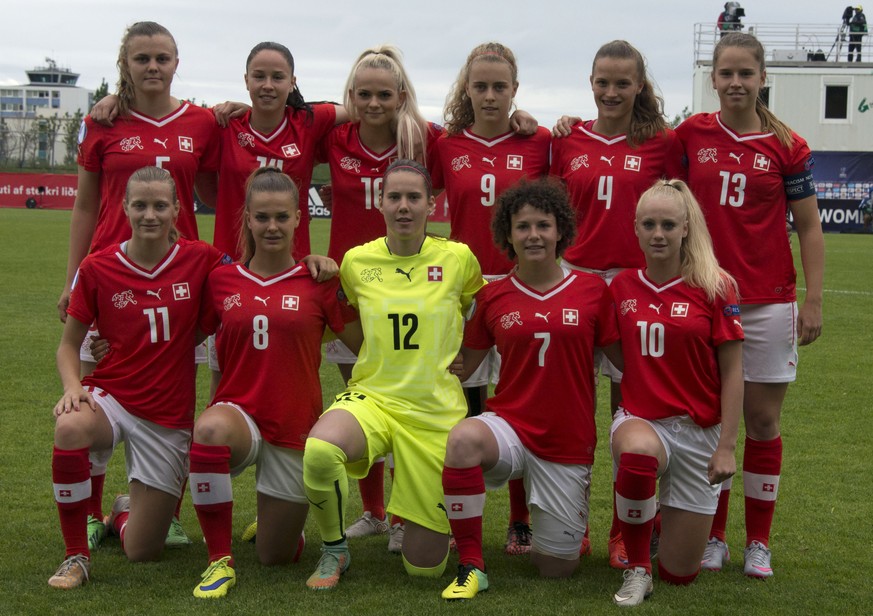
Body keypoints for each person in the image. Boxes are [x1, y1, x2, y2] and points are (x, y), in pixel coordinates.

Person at [59, 20, 220, 552]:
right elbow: (85, 204)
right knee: (94, 395)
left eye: (162, 58)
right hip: (109, 278)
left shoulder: (201, 122)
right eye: (142, 58)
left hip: (178, 281)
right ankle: (87, 513)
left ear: (178, 64)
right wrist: (73, 277)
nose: (153, 67)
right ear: (125, 65)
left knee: (170, 393)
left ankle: (156, 513)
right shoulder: (101, 120)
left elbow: (223, 186)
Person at [676, 32, 824, 578]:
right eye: (726, 73)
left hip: (767, 301)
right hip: (705, 296)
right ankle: (713, 537)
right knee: (713, 420)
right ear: (712, 79)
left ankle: (756, 541)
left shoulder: (788, 145)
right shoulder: (691, 134)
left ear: (763, 78)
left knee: (762, 419)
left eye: (746, 73)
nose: (735, 82)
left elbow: (809, 227)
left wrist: (812, 299)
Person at [302, 159, 484, 591]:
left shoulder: (458, 259)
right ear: (380, 203)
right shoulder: (356, 260)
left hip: (434, 413)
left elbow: (485, 313)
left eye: (414, 197)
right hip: (375, 399)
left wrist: (472, 358)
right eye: (395, 197)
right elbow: (335, 308)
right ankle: (334, 548)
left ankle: (420, 521)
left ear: (431, 204)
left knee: (425, 570)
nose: (404, 206)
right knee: (320, 451)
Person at [48, 166, 228, 590]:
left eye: (160, 206)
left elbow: (250, 273)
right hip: (110, 395)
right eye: (141, 205)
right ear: (125, 207)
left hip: (166, 414)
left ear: (177, 209)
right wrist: (74, 389)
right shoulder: (97, 267)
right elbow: (67, 346)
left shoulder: (201, 258)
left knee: (143, 551)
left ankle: (124, 512)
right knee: (71, 425)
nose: (151, 215)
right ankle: (76, 556)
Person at [441, 178, 619, 600]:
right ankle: (471, 563)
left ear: (561, 231)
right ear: (508, 234)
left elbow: (625, 363)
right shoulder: (493, 295)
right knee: (464, 438)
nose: (534, 235)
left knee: (556, 569)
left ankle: (562, 530)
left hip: (566, 439)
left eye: (544, 225)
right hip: (510, 427)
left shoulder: (594, 291)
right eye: (523, 226)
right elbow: (466, 365)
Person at [188, 167, 361, 598]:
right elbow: (185, 339)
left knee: (275, 556)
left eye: (281, 217)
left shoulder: (319, 282)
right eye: (262, 217)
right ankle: (219, 562)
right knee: (207, 430)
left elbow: (364, 344)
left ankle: (283, 529)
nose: (271, 226)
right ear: (246, 217)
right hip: (238, 416)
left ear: (299, 218)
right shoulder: (221, 279)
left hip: (293, 424)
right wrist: (110, 347)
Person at [550, 39, 685, 568]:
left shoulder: (663, 143)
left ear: (639, 86)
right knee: (575, 412)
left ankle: (625, 530)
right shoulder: (568, 139)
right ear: (590, 83)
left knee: (631, 411)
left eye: (622, 83)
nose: (611, 91)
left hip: (636, 287)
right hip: (578, 284)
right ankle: (573, 522)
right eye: (602, 82)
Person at [317, 45, 439, 552]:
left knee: (407, 403)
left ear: (401, 97)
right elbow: (299, 113)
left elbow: (477, 131)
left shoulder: (422, 138)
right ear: (350, 97)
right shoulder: (334, 136)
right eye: (362, 93)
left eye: (383, 94)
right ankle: (372, 510)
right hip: (352, 285)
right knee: (361, 394)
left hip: (408, 288)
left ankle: (405, 511)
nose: (372, 103)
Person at [433, 41, 551, 557]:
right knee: (468, 410)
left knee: (524, 406)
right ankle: (467, 519)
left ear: (515, 91)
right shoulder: (445, 145)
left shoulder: (540, 142)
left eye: (499, 86)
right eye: (479, 86)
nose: (489, 95)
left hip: (524, 292)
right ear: (466, 90)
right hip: (466, 297)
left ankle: (521, 520)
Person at [608, 179, 743, 607]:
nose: (658, 234)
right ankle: (636, 569)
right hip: (642, 421)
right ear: (635, 228)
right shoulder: (621, 287)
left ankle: (659, 525)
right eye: (649, 224)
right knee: (637, 455)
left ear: (687, 228)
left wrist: (726, 447)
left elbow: (735, 370)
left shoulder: (717, 285)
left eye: (669, 224)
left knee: (680, 575)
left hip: (700, 432)